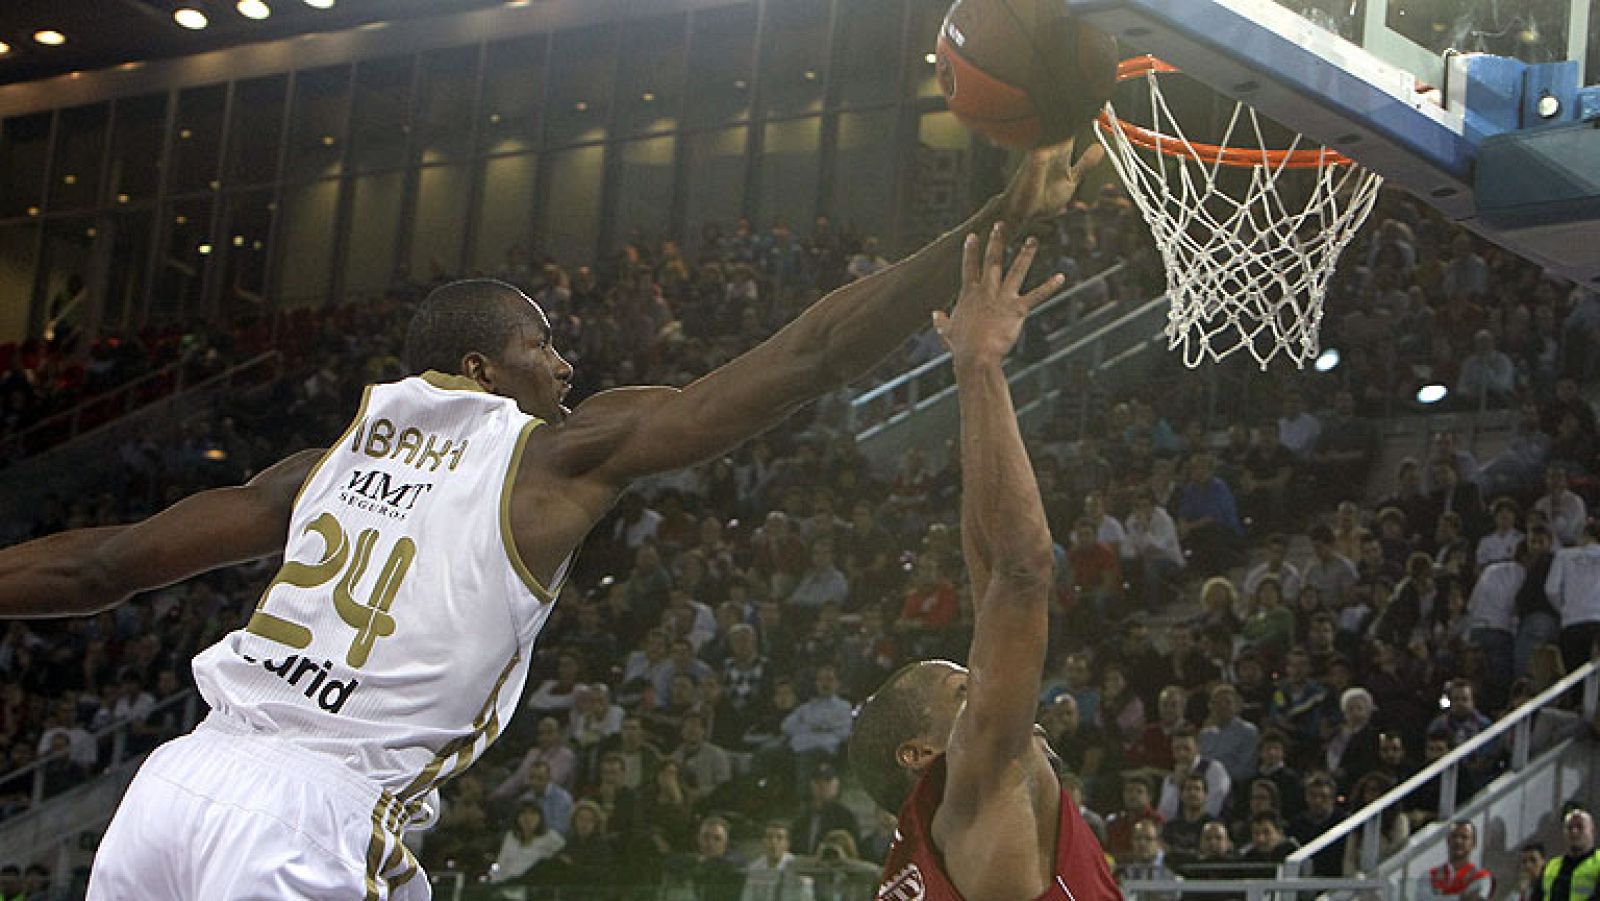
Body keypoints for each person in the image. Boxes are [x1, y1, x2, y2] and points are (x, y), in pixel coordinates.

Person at [0, 137, 1096, 899]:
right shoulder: (553, 455)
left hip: (177, 782)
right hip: (316, 807)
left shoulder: (313, 466)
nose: (565, 361)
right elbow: (807, 357)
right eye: (542, 344)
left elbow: (100, 565)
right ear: (480, 367)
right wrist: (990, 218)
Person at [848, 219, 1118, 900]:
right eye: (964, 691)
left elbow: (993, 569)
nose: (992, 689)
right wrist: (980, 367)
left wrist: (971, 380)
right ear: (922, 753)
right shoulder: (976, 780)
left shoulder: (927, 842)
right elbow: (1025, 568)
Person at [488, 801, 565, 896]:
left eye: (533, 813)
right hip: (505, 889)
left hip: (533, 890)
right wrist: (493, 880)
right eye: (523, 813)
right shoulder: (511, 837)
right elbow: (499, 864)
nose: (527, 817)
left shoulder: (551, 837)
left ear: (540, 817)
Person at [1531, 810, 1599, 901]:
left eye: (1580, 827)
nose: (1574, 831)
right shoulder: (1551, 866)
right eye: (1569, 828)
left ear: (1593, 832)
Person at [1428, 820, 1493, 898]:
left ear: (1474, 843)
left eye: (1464, 837)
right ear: (1448, 841)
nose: (1458, 841)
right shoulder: (1430, 875)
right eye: (1454, 836)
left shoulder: (1482, 877)